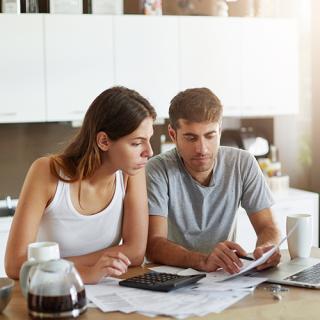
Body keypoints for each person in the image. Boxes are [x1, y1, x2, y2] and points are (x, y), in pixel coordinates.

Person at [5, 86, 156, 284]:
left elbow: (135, 252)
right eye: (137, 143)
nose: (149, 152)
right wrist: (83, 272)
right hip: (51, 293)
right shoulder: (46, 172)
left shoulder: (131, 173)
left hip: (105, 291)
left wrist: (54, 265)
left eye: (149, 140)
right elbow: (15, 264)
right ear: (103, 141)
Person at [146, 87, 281, 274]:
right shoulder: (157, 170)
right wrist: (202, 261)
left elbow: (268, 227)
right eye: (191, 138)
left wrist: (268, 248)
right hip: (171, 277)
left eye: (210, 136)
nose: (202, 149)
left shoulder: (242, 163)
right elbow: (153, 245)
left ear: (220, 129)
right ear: (172, 134)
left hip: (222, 278)